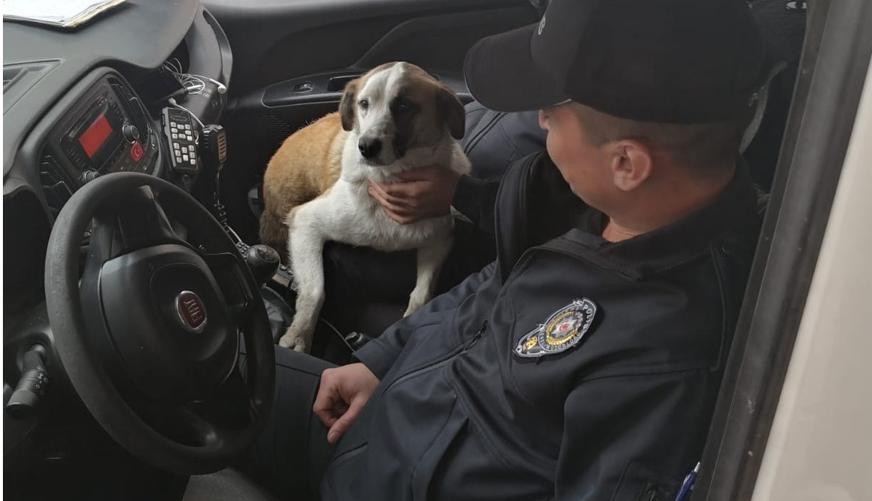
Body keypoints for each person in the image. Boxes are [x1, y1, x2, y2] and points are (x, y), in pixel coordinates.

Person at [248, 0, 767, 498]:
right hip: (385, 415)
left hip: (392, 474)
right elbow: (495, 284)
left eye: (552, 112)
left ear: (626, 164)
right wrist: (383, 360)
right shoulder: (600, 206)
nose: (537, 120)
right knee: (212, 373)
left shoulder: (657, 366)